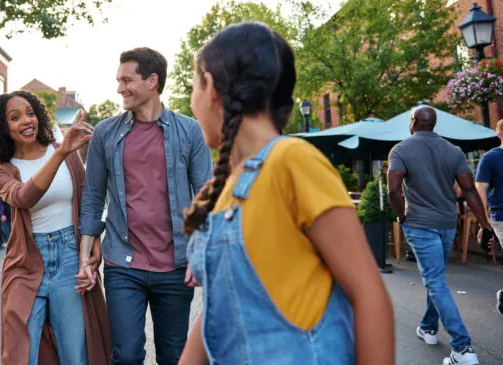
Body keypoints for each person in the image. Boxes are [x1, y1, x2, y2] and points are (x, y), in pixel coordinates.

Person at [177, 22, 394, 365]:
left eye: (193, 87)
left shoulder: (292, 160)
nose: (192, 103)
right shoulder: (228, 187)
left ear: (211, 88)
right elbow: (226, 306)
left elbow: (369, 295)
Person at [78, 47, 213, 365]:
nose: (120, 88)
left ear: (152, 80)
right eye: (118, 80)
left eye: (127, 80)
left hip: (177, 266)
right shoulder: (105, 133)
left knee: (174, 355)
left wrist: (199, 251)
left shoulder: (190, 131)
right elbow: (94, 195)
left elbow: (205, 197)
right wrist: (86, 255)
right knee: (125, 356)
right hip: (123, 265)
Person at [0, 90, 111, 365]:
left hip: (68, 255)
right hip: (24, 263)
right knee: (21, 355)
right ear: (2, 127)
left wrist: (94, 244)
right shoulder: (0, 170)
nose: (26, 121)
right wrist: (62, 151)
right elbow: (22, 197)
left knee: (75, 354)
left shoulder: (63, 152)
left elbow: (87, 198)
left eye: (30, 113)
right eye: (15, 117)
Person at [388, 106, 490, 365]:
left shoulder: (400, 150)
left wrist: (402, 217)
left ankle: (463, 349)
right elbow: (468, 189)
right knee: (436, 278)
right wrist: (484, 224)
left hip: (420, 225)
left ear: (413, 122)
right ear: (433, 124)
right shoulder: (453, 150)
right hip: (447, 224)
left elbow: (393, 192)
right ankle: (428, 328)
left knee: (435, 281)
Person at [475, 118, 503, 316]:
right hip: (500, 214)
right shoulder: (490, 158)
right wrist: (484, 223)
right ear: (500, 134)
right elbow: (481, 189)